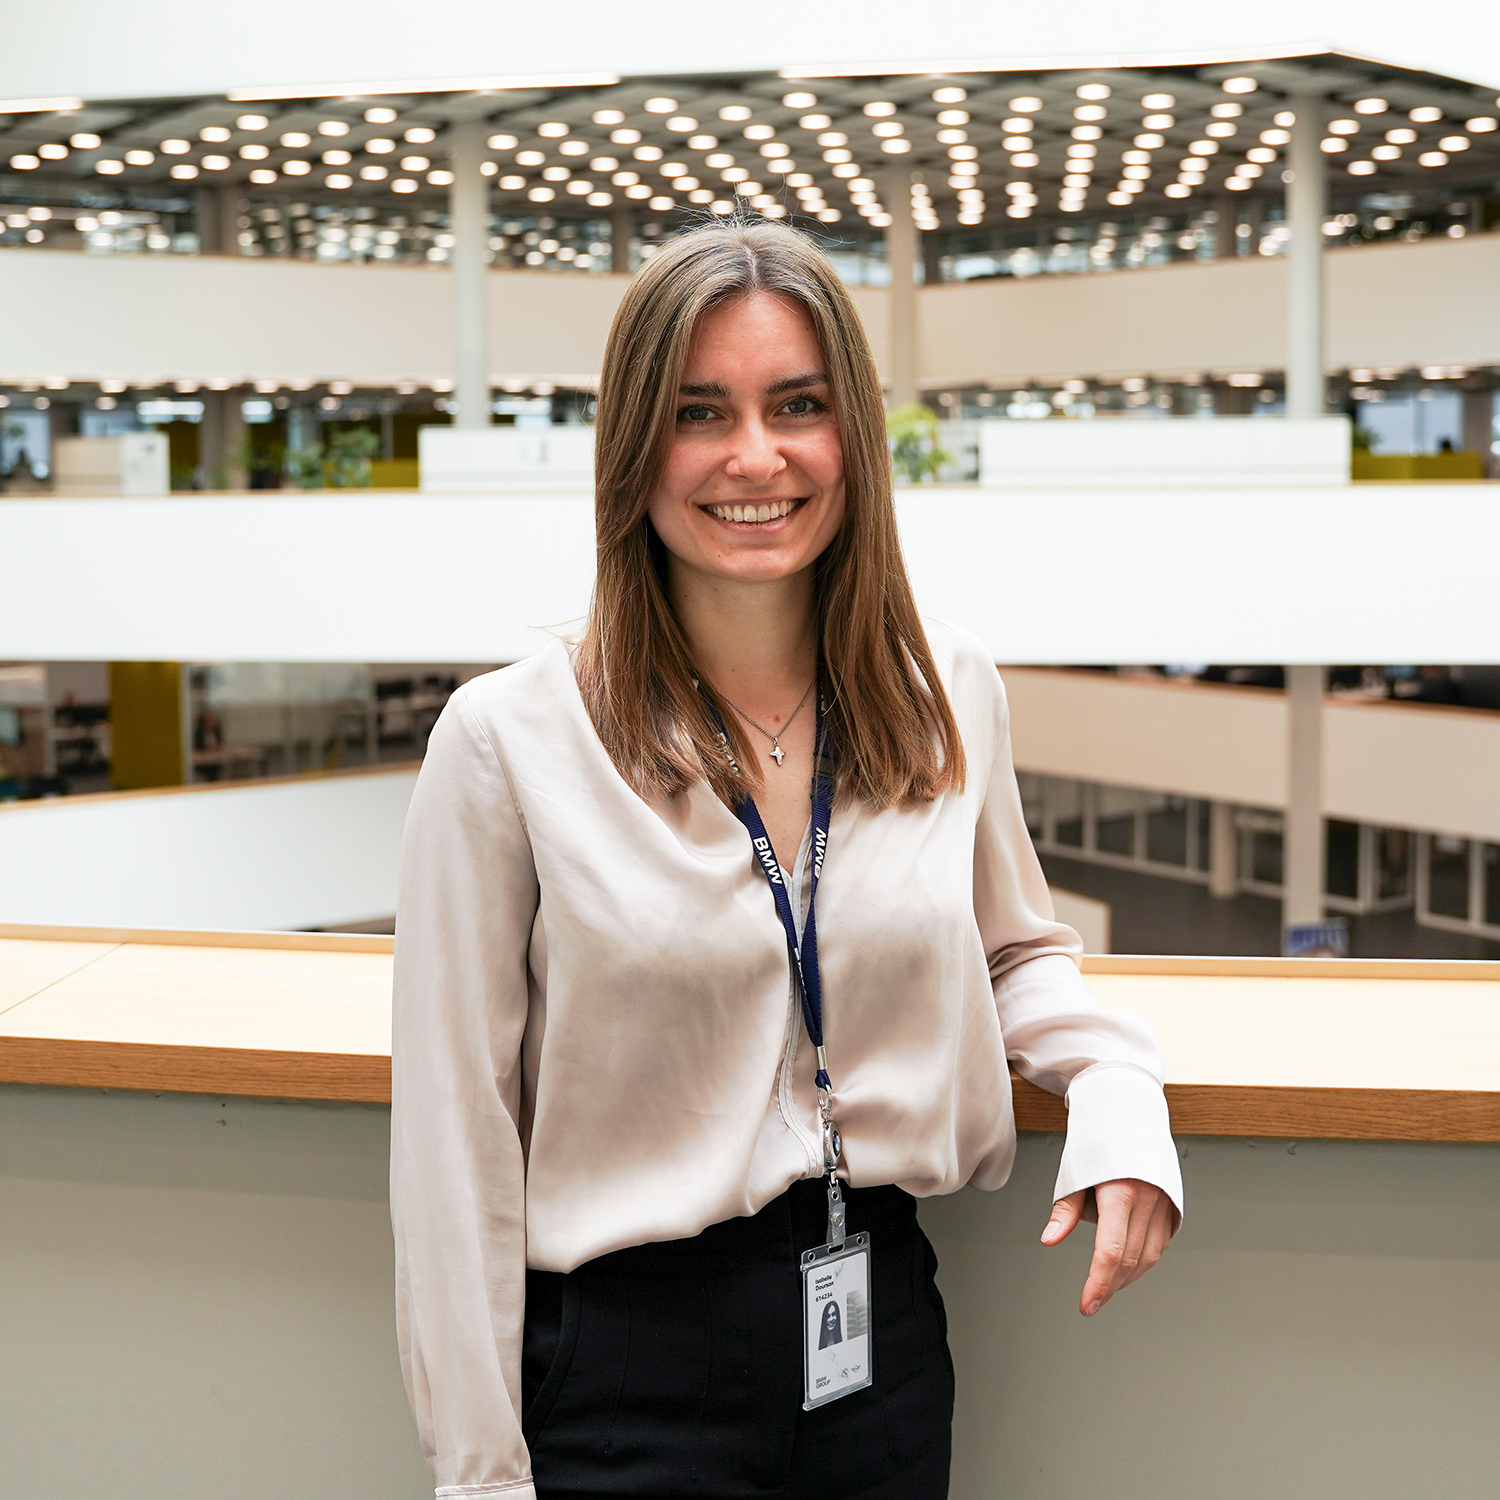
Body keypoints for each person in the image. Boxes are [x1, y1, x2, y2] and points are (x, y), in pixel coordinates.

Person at [391, 219, 1182, 1500]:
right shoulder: (509, 741)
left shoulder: (946, 690)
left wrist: (1117, 1090)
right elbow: (454, 1139)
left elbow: (1016, 950)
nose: (754, 457)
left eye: (797, 405)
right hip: (625, 1372)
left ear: (851, 438)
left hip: (880, 1338)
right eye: (701, 410)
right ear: (633, 445)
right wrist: (479, 1475)